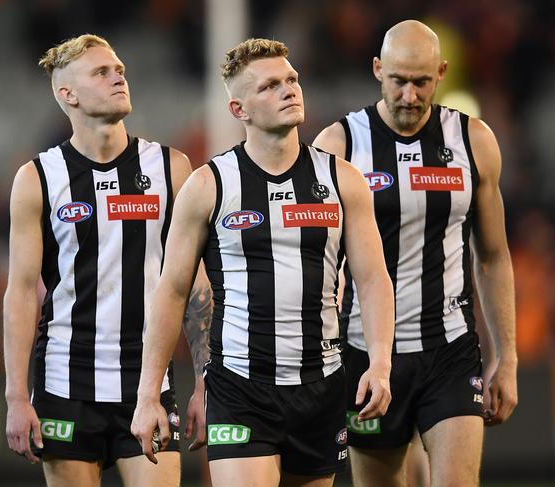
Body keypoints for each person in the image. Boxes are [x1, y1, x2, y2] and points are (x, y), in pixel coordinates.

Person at [130, 38, 394, 487]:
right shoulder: (208, 186)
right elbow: (172, 292)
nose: (289, 89)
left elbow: (372, 280)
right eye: (271, 85)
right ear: (239, 110)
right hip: (241, 387)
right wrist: (148, 393)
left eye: (291, 79)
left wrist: (381, 363)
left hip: (322, 384)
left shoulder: (342, 180)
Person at [313, 20, 518, 487]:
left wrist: (506, 357)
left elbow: (492, 256)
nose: (409, 95)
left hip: (450, 351)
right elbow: (317, 267)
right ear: (377, 69)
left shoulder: (474, 141)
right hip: (366, 357)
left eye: (421, 82)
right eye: (398, 81)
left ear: (441, 73)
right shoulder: (339, 146)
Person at [3, 34, 211, 487]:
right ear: (68, 94)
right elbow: (20, 292)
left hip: (148, 385)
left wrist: (204, 380)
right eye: (102, 71)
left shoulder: (172, 168)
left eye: (119, 68)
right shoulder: (37, 178)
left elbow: (197, 286)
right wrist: (17, 397)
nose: (119, 76)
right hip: (65, 384)